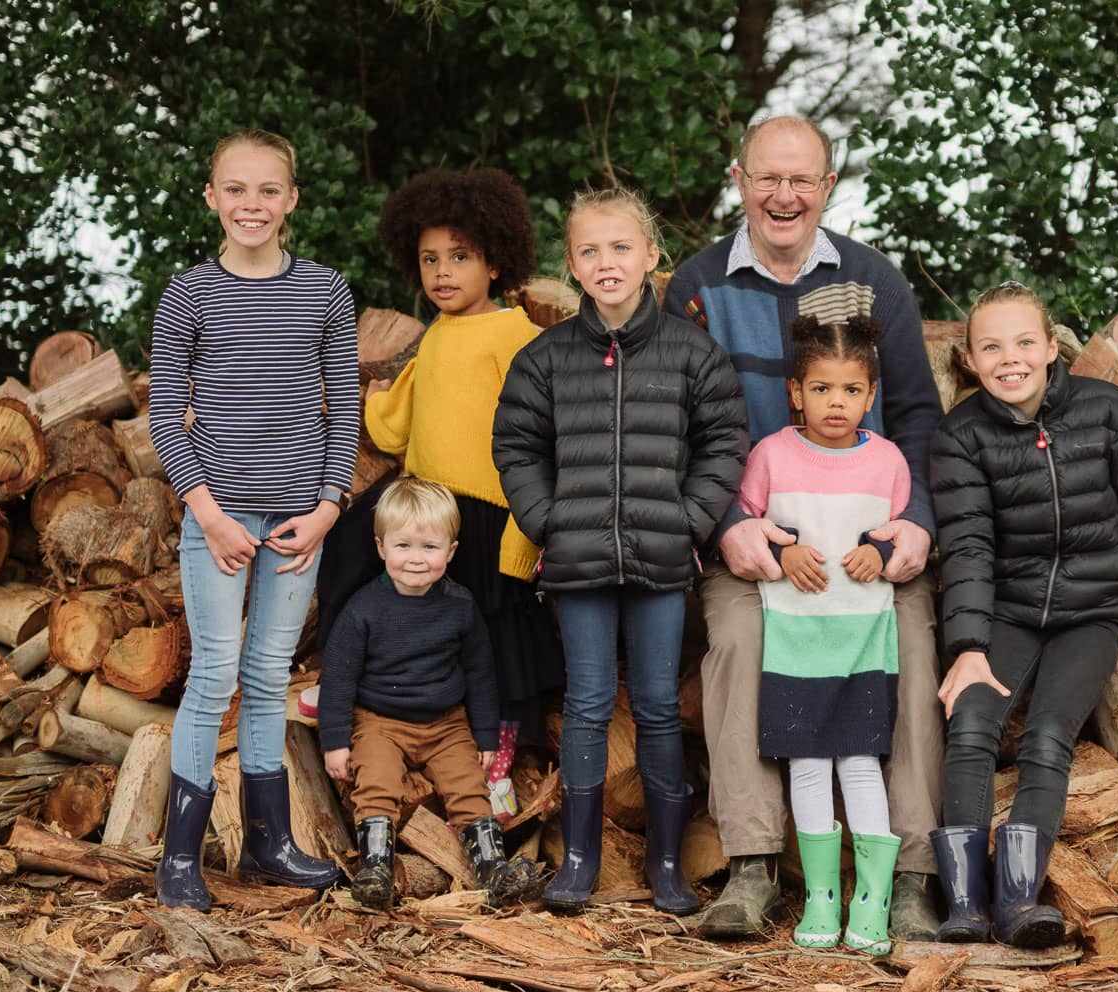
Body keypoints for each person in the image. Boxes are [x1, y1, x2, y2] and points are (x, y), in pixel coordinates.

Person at [662, 115, 946, 939]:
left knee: (916, 643)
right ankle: (753, 867)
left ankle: (914, 877)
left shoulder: (872, 281)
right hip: (755, 535)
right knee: (740, 642)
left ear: (827, 186)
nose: (783, 196)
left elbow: (922, 421)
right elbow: (669, 423)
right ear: (738, 179)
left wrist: (916, 522)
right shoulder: (697, 286)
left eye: (802, 180)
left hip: (867, 536)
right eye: (766, 177)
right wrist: (723, 525)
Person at [492, 188, 748, 915]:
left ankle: (667, 867)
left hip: (663, 561)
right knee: (588, 703)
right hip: (576, 563)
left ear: (651, 256)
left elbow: (725, 439)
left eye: (621, 247)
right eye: (590, 250)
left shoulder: (691, 353)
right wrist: (547, 519)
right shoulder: (545, 359)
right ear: (571, 264)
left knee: (662, 706)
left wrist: (691, 519)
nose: (607, 262)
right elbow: (514, 443)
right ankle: (578, 860)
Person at [148, 128, 358, 911]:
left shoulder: (326, 292)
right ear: (211, 197)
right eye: (236, 189)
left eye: (268, 190)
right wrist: (206, 514)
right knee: (212, 674)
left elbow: (346, 411)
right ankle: (179, 856)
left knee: (269, 674)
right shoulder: (189, 295)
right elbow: (166, 414)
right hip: (220, 516)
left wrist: (329, 508)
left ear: (292, 199)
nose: (252, 204)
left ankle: (269, 841)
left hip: (298, 518)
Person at [316, 168, 563, 818]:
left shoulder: (516, 335)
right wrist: (377, 402)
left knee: (492, 638)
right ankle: (348, 682)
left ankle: (499, 762)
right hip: (422, 500)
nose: (442, 272)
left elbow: (546, 428)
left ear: (495, 260)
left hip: (487, 510)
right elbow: (400, 425)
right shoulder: (437, 334)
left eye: (459, 256)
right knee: (347, 542)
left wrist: (529, 523)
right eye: (429, 259)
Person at [929, 282, 1118, 947]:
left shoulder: (1111, 412)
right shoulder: (959, 435)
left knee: (1048, 735)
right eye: (991, 346)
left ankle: (1019, 900)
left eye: (1025, 341)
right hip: (1009, 607)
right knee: (969, 724)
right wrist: (969, 643)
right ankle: (964, 903)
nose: (1011, 358)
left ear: (1052, 346)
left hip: (1091, 609)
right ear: (969, 358)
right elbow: (967, 543)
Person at [739, 314, 911, 956]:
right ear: (794, 392)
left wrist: (878, 551)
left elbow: (903, 532)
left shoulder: (888, 460)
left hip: (865, 637)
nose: (834, 403)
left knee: (861, 763)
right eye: (820, 389)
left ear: (870, 395)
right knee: (807, 764)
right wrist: (782, 555)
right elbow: (752, 527)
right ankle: (821, 895)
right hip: (795, 638)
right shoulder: (771, 455)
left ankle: (872, 901)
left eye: (849, 390)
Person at [318, 477, 539, 910]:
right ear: (381, 548)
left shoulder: (460, 605)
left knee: (469, 787)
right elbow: (339, 678)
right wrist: (336, 742)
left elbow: (480, 672)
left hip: (446, 723)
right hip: (381, 721)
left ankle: (492, 869)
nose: (416, 559)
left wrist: (487, 736)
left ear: (451, 552)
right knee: (377, 782)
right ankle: (376, 868)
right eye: (404, 547)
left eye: (429, 548)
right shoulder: (362, 609)